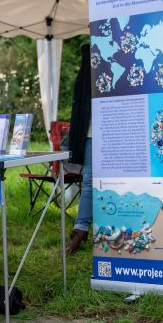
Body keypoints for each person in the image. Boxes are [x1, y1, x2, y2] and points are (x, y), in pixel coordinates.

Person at [65, 44, 92, 254]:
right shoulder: (88, 53)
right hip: (92, 132)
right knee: (90, 180)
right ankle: (80, 230)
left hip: (120, 132)